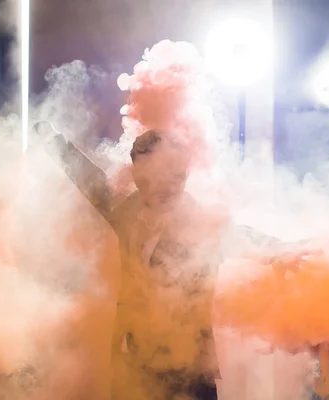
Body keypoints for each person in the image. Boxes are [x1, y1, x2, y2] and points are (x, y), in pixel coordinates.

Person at [34, 122, 304, 400]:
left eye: (177, 175)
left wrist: (282, 249)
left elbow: (241, 236)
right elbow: (93, 183)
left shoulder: (199, 221)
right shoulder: (128, 211)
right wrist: (53, 141)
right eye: (154, 177)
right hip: (133, 364)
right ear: (139, 175)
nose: (169, 185)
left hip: (187, 371)